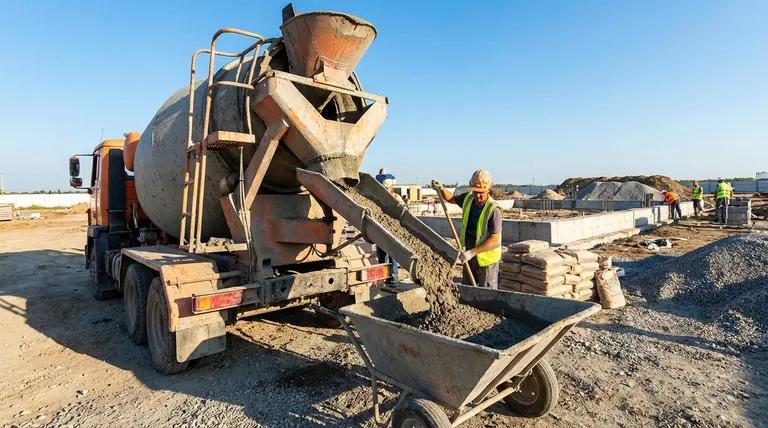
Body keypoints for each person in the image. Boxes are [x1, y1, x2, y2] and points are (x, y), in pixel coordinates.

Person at [432, 170, 502, 289]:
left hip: (487, 259)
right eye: (475, 192)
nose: (477, 196)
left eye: (481, 193)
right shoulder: (468, 199)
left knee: (487, 292)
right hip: (469, 255)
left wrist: (472, 252)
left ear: (488, 190)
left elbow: (493, 239)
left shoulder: (494, 210)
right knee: (468, 288)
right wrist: (441, 189)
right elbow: (451, 199)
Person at [375, 171, 401, 284]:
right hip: (381, 232)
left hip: (392, 233)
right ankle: (383, 277)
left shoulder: (396, 199)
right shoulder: (380, 200)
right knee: (381, 256)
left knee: (393, 256)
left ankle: (393, 277)